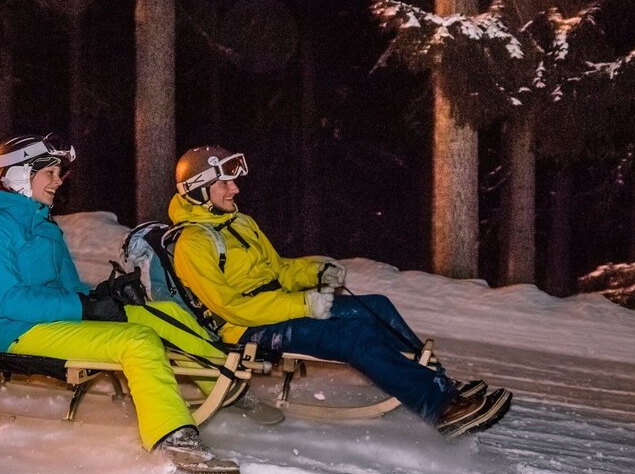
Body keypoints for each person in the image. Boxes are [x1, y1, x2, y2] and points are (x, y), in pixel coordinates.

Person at [168, 145, 512, 439]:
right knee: (353, 336)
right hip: (245, 328)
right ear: (200, 190)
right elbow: (230, 307)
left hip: (279, 309)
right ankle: (441, 410)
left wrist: (315, 271)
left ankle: (439, 385)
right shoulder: (193, 244)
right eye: (225, 183)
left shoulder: (240, 222)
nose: (235, 189)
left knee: (377, 307)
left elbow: (278, 270)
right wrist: (303, 303)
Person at [0, 134, 239, 474]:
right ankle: (173, 438)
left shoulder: (45, 224)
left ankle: (224, 381)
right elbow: (10, 302)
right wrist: (83, 307)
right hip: (22, 330)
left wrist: (106, 295)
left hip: (59, 319)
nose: (58, 181)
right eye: (50, 173)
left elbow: (71, 287)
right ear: (19, 175)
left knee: (160, 313)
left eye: (58, 173)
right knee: (137, 341)